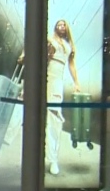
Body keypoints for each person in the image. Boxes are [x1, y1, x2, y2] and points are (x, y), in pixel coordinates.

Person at [18, 20, 81, 175]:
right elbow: (32, 45)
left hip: (56, 83)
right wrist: (24, 55)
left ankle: (53, 159)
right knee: (32, 117)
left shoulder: (68, 46)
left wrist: (76, 82)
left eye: (63, 25)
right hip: (42, 78)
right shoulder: (50, 40)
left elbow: (71, 65)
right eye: (58, 24)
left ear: (67, 28)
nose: (61, 26)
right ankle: (31, 159)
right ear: (55, 27)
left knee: (55, 118)